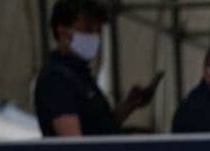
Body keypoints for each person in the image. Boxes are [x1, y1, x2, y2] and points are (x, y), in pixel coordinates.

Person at [33, 0, 156, 136]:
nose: (94, 37)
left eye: (97, 31)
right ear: (62, 31)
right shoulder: (56, 79)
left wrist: (129, 105)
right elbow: (74, 145)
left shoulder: (81, 75)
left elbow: (100, 126)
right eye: (88, 29)